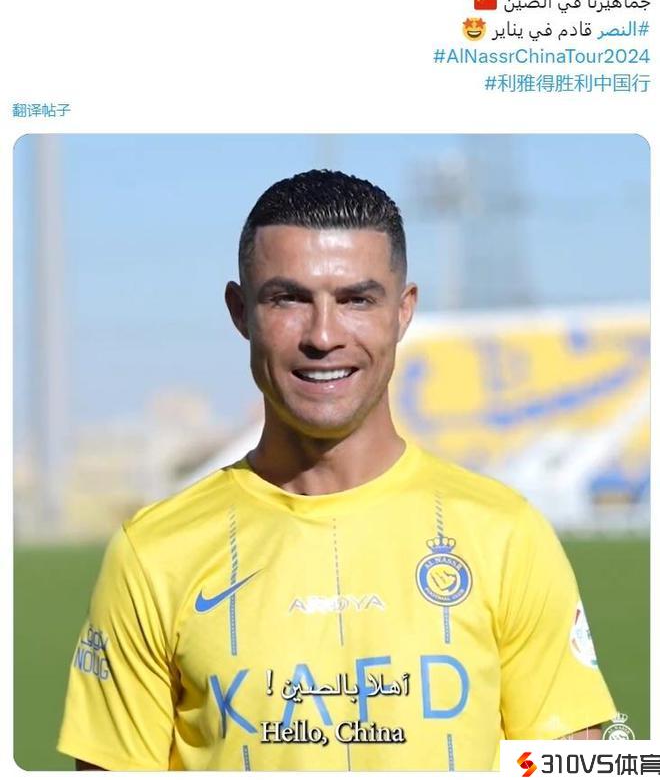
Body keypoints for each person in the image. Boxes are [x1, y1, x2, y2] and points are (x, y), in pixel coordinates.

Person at [58, 169, 616, 771]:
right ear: (241, 312)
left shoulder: (506, 536)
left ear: (403, 311)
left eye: (356, 300)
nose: (323, 335)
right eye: (288, 299)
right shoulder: (153, 555)